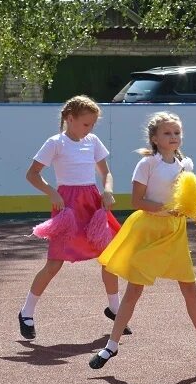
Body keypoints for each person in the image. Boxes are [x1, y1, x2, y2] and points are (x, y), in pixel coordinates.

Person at [88, 112, 196, 370]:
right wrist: (163, 211)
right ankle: (111, 346)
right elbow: (137, 202)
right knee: (134, 290)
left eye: (177, 133)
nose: (173, 137)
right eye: (167, 133)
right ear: (154, 138)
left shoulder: (186, 165)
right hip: (149, 230)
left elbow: (185, 204)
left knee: (190, 288)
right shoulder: (147, 164)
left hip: (174, 233)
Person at [18, 95, 124, 340]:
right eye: (86, 124)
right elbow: (32, 174)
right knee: (55, 262)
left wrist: (107, 190)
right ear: (70, 119)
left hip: (93, 204)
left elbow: (106, 173)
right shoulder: (55, 143)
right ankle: (27, 312)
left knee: (109, 256)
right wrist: (52, 192)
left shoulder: (93, 141)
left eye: (93, 124)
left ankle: (115, 308)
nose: (90, 129)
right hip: (67, 206)